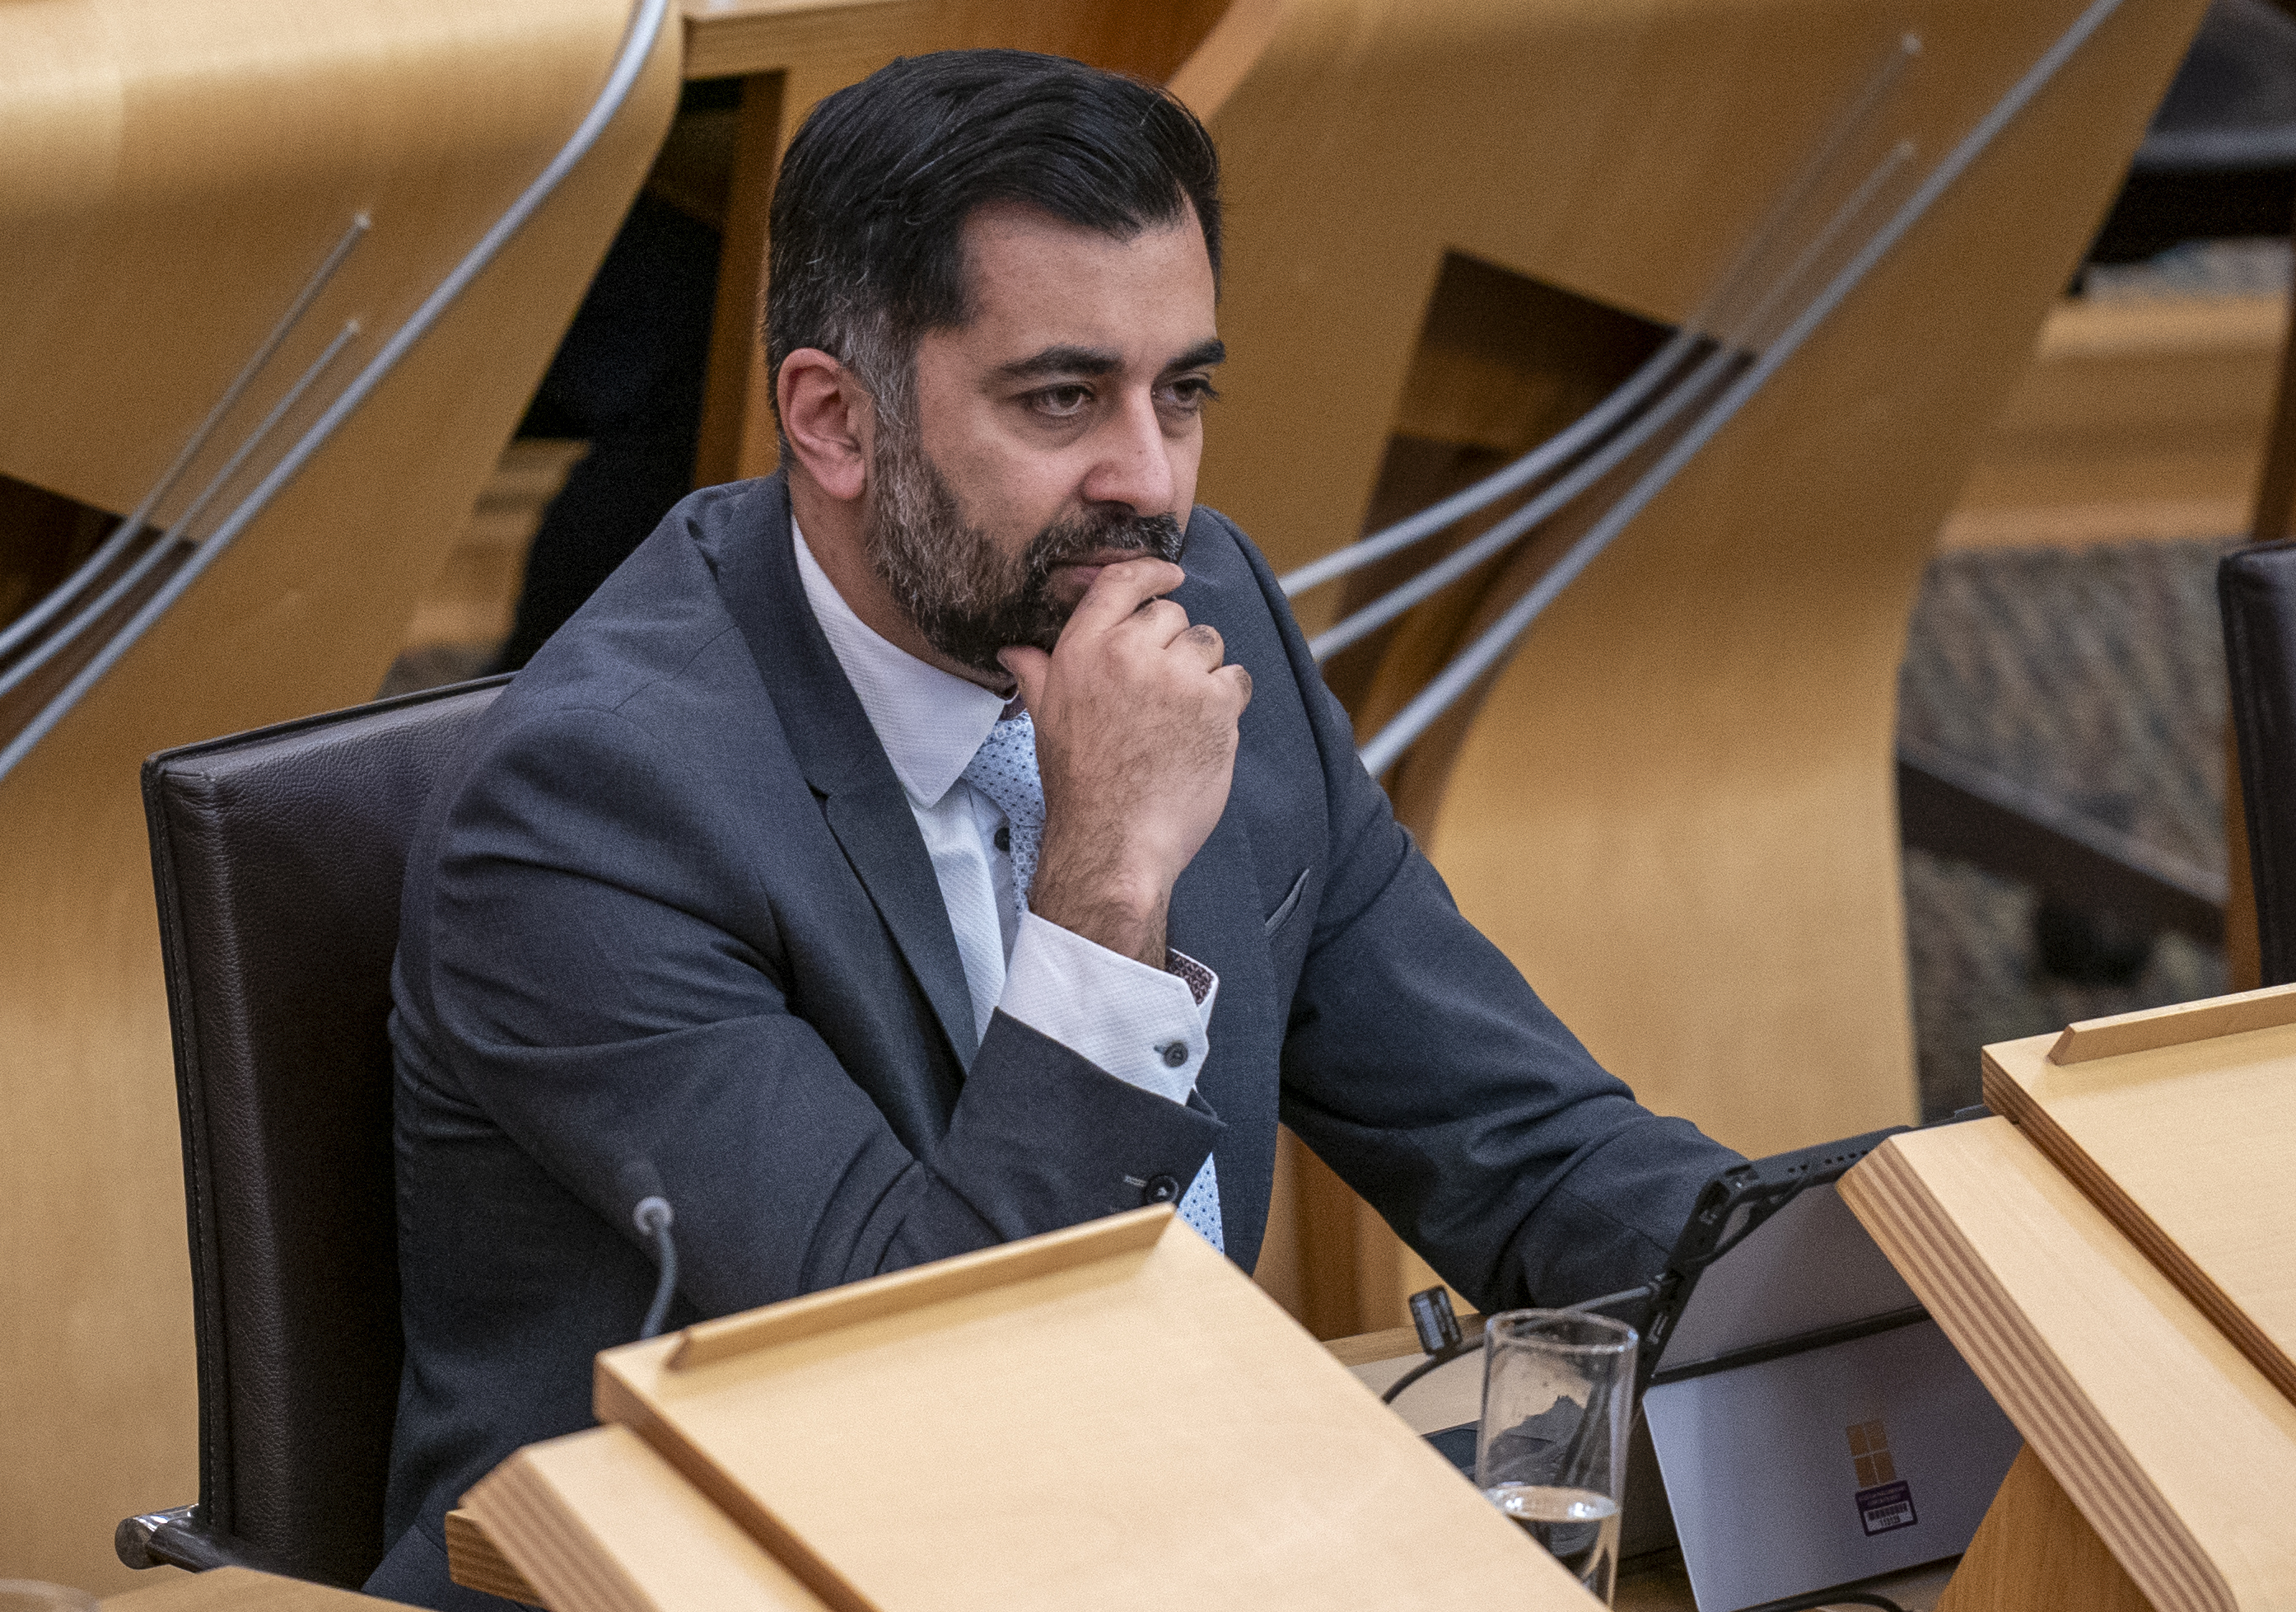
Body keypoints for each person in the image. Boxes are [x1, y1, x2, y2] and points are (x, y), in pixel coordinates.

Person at [365, 49, 1739, 1609]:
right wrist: (1107, 880)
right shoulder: (592, 812)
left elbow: (1526, 1148)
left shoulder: (1207, 622)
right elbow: (952, 1386)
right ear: (833, 420)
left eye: (1185, 393)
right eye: (1063, 398)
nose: (1150, 484)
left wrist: (1852, 1275)